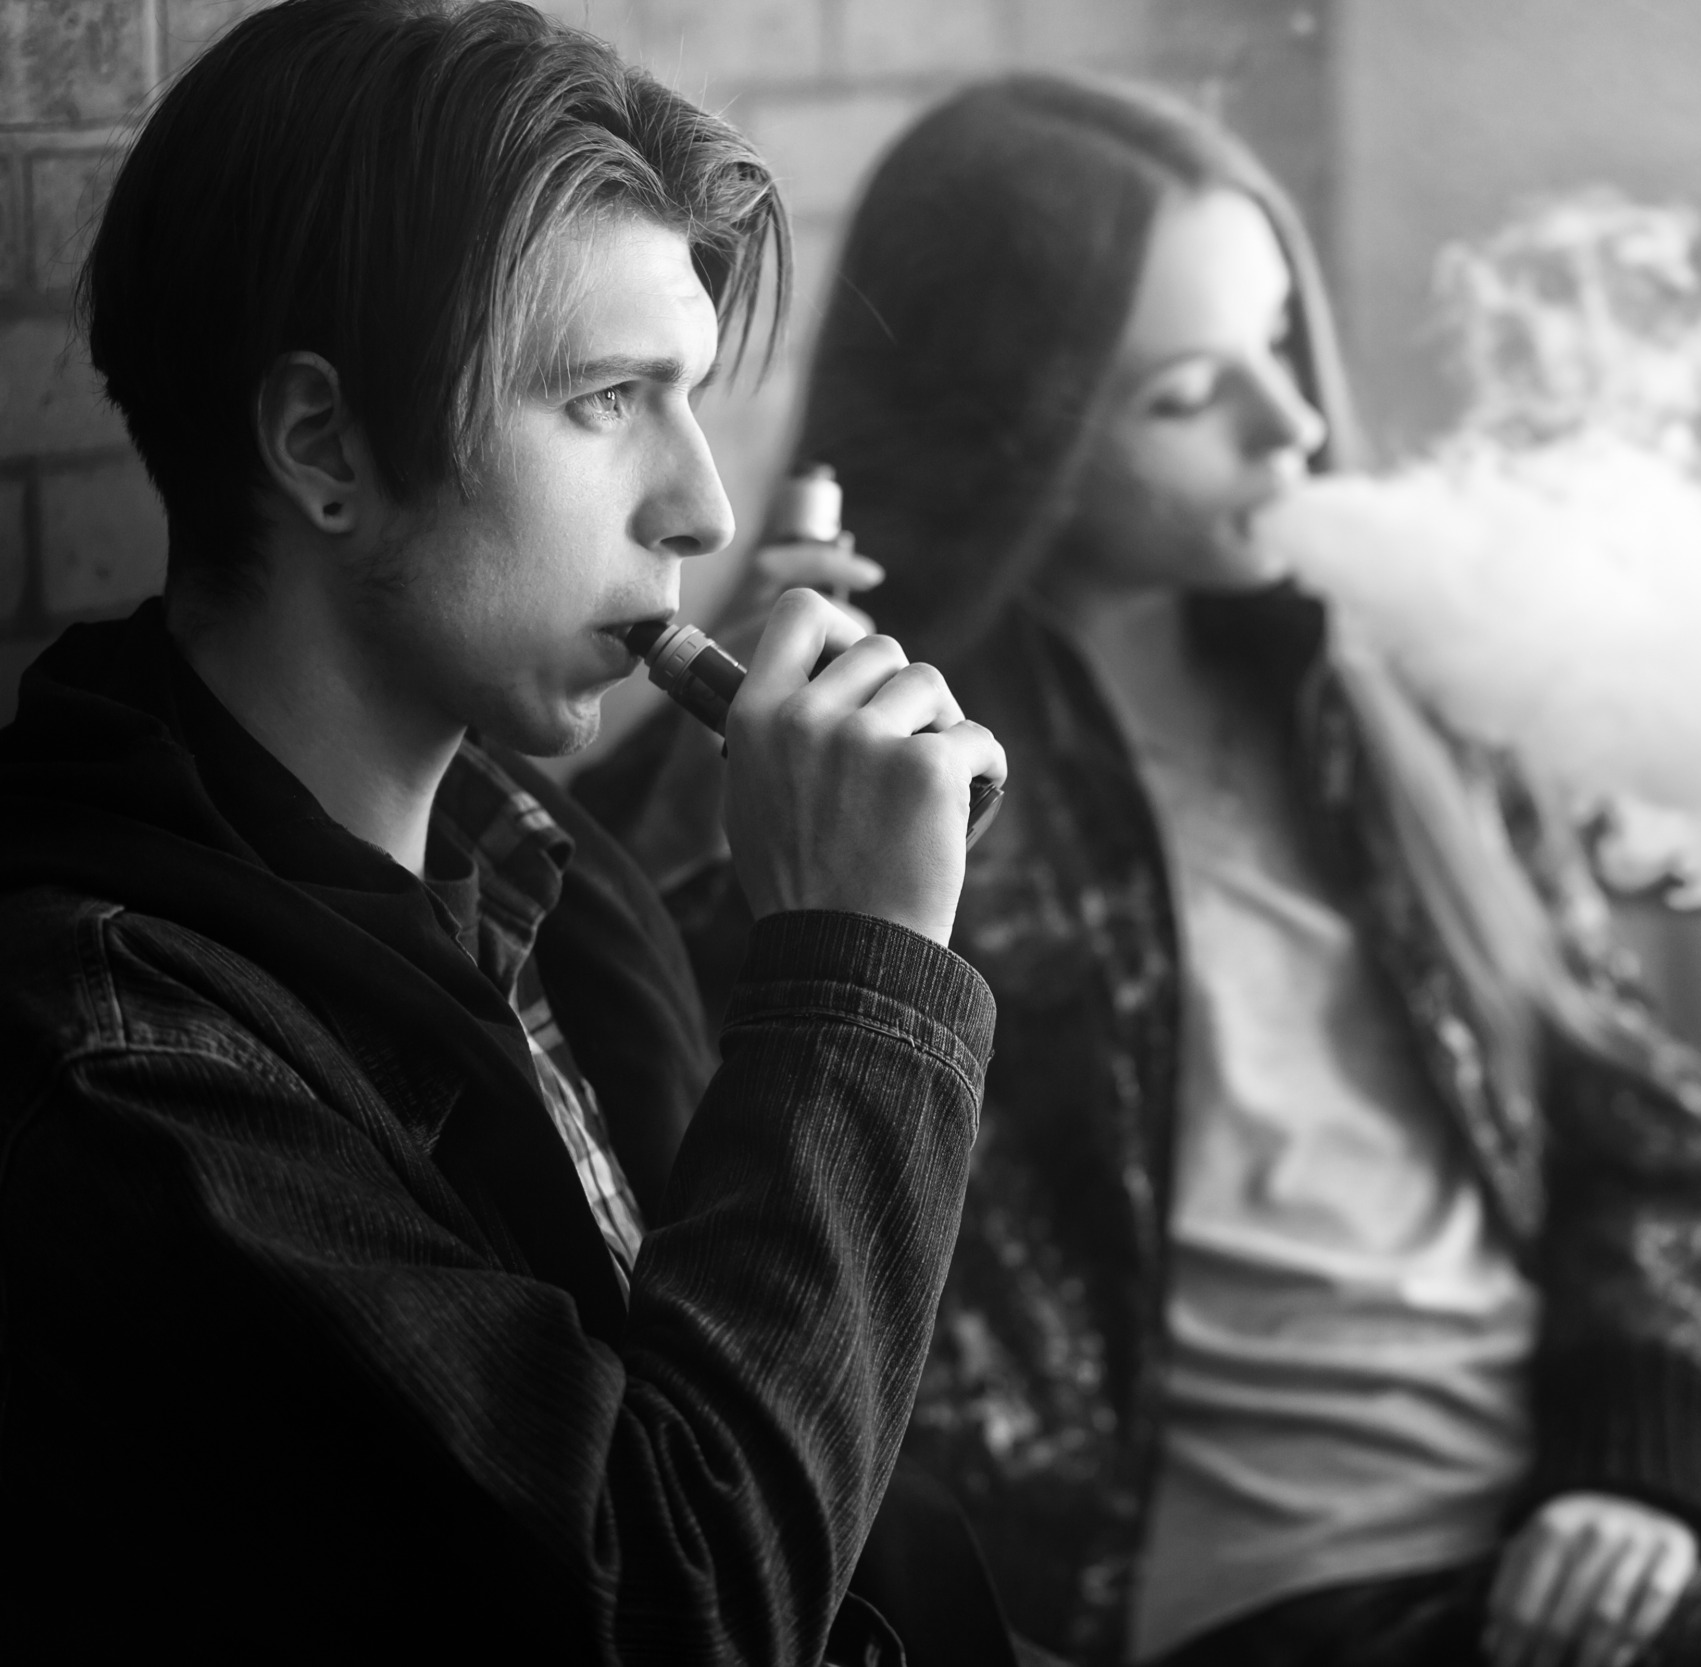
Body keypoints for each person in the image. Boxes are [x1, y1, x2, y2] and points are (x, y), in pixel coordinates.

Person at [582, 75, 1701, 1667]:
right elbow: (697, 1133)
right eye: (1189, 395)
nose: (1296, 422)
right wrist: (730, 735)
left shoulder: (1396, 709)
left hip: (1590, 1555)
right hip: (1261, 1608)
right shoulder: (877, 771)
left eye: (1278, 346)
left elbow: (1648, 1141)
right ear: (1008, 430)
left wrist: (1640, 1467)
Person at [0, 3, 1021, 1660]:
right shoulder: (128, 1075)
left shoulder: (518, 861)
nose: (699, 504)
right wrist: (860, 968)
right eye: (606, 397)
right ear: (324, 448)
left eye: (685, 393)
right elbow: (673, 1605)